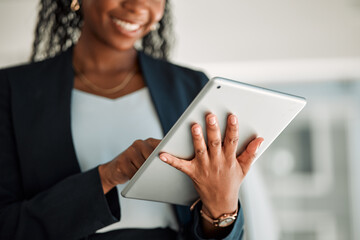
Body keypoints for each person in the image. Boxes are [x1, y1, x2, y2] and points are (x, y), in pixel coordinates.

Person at [0, 0, 263, 239]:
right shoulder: (12, 90)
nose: (138, 6)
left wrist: (222, 208)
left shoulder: (190, 86)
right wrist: (108, 175)